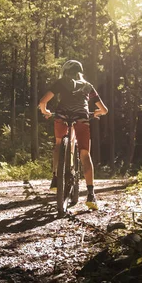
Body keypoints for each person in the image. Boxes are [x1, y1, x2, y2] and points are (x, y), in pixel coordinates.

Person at [39, 60, 108, 210]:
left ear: (65, 72)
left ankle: (56, 178)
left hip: (62, 116)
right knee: (84, 153)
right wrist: (97, 113)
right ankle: (91, 195)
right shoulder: (88, 86)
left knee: (58, 143)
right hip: (82, 117)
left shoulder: (61, 82)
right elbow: (104, 109)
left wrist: (46, 111)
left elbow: (43, 102)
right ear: (80, 71)